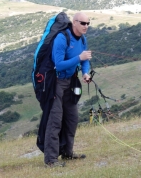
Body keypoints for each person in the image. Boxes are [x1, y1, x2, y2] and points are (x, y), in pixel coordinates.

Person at [44, 12, 92, 167]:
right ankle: (51, 160)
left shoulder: (83, 39)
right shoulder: (61, 38)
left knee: (72, 118)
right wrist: (79, 58)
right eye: (83, 23)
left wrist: (85, 73)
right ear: (75, 22)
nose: (86, 26)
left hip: (71, 82)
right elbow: (58, 64)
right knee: (55, 120)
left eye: (88, 24)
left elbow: (85, 60)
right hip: (57, 82)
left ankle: (67, 152)